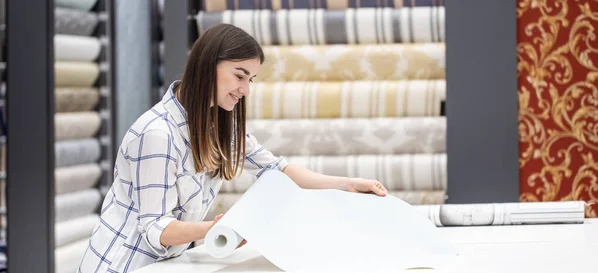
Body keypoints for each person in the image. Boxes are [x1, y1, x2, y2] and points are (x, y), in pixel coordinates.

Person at [77, 23, 389, 272]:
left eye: (251, 79)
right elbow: (155, 230)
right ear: (205, 65)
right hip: (122, 265)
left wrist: (345, 185)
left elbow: (275, 169)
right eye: (239, 75)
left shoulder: (217, 126)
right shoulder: (158, 134)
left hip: (166, 265)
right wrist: (216, 228)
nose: (245, 90)